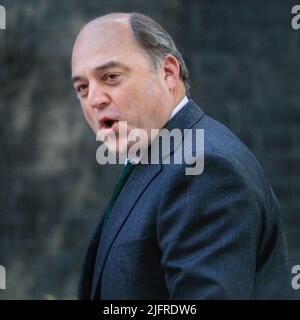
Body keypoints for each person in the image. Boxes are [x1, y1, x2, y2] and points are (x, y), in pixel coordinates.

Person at [71, 12, 290, 299]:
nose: (94, 99)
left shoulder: (203, 169)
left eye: (111, 77)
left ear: (168, 73)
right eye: (82, 88)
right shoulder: (158, 156)